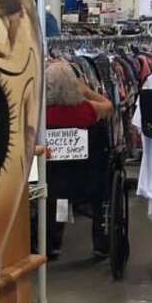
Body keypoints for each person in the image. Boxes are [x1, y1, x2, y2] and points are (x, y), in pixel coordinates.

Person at [43, 59, 112, 258]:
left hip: (51, 182)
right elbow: (108, 106)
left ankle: (52, 243)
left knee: (54, 191)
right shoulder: (86, 111)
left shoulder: (40, 115)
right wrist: (86, 91)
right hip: (87, 180)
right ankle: (101, 243)